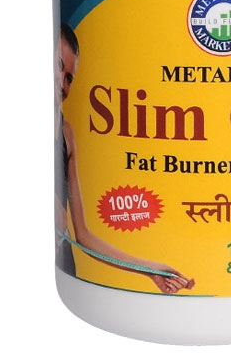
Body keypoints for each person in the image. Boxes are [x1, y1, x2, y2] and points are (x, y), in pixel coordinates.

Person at [54, 23, 193, 293]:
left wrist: (151, 269)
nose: (62, 83)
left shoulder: (67, 133)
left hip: (68, 257)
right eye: (58, 66)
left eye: (69, 77)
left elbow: (83, 236)